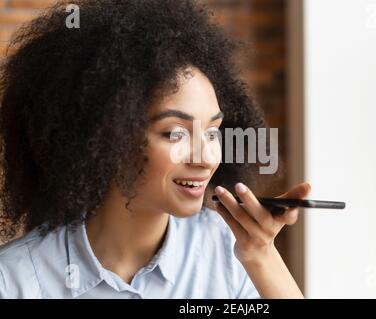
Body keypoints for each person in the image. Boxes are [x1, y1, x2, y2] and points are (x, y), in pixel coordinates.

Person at [0, 0, 310, 299]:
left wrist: (261, 255)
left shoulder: (226, 251)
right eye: (175, 133)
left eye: (213, 132)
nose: (206, 158)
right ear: (107, 137)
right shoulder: (15, 281)